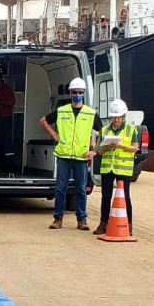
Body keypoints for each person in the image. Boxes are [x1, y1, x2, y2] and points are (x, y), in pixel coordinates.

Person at [39, 77, 102, 230]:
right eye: (74, 92)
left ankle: (82, 220)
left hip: (81, 157)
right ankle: (58, 218)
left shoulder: (90, 113)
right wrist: (54, 135)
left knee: (80, 189)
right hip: (63, 156)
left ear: (84, 93)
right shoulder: (62, 110)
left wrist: (95, 150)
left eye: (80, 92)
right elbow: (43, 120)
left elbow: (102, 132)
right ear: (70, 93)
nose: (77, 95)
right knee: (60, 188)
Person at [93, 99, 140, 236]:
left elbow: (135, 148)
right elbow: (99, 151)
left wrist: (121, 146)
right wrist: (106, 146)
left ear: (123, 116)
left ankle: (128, 224)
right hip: (108, 168)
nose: (116, 120)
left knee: (125, 197)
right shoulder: (104, 130)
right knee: (105, 196)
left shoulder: (131, 130)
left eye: (118, 117)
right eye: (114, 117)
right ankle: (104, 223)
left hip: (123, 169)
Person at [0, 60, 16, 170]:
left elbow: (12, 102)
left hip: (5, 118)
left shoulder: (5, 89)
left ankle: (9, 166)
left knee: (5, 141)